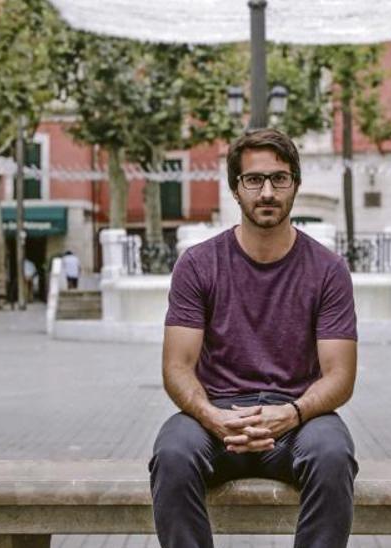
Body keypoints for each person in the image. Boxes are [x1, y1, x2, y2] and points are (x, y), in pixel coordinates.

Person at [150, 128, 359, 548]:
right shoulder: (199, 265)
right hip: (217, 418)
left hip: (299, 419)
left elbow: (340, 375)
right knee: (172, 453)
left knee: (333, 455)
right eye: (254, 180)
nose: (267, 192)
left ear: (295, 185)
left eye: (279, 179)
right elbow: (177, 366)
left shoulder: (327, 270)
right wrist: (213, 417)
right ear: (235, 188)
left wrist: (293, 413)